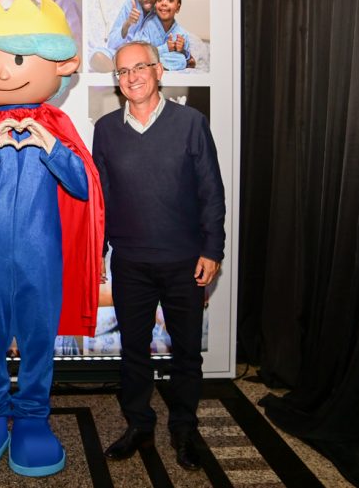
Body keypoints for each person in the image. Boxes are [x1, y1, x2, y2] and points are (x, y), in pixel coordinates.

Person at [0, 0, 104, 477]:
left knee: (37, 338)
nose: (5, 73)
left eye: (17, 59)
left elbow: (83, 186)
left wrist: (53, 147)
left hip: (41, 256)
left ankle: (32, 415)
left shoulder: (57, 125)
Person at [91, 41, 226, 472]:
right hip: (130, 263)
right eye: (123, 71)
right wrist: (98, 251)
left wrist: (213, 249)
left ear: (159, 71)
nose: (131, 77)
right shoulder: (106, 129)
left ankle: (184, 430)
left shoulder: (191, 123)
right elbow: (101, 198)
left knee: (186, 353)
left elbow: (211, 191)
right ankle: (139, 424)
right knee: (134, 352)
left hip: (185, 262)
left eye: (139, 67)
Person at [90, 0, 167, 72]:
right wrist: (127, 24)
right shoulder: (129, 5)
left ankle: (127, 70)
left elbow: (164, 43)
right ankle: (125, 70)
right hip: (122, 54)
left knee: (174, 59)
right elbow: (111, 43)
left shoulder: (162, 10)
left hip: (145, 57)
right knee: (96, 56)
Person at [153, 0, 196, 71]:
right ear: (155, 4)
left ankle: (160, 66)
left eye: (170, 0)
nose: (164, 3)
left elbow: (187, 58)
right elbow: (144, 52)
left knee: (181, 60)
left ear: (178, 8)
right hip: (150, 59)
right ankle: (155, 65)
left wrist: (182, 50)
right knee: (145, 57)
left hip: (166, 60)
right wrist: (165, 48)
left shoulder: (181, 34)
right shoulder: (148, 27)